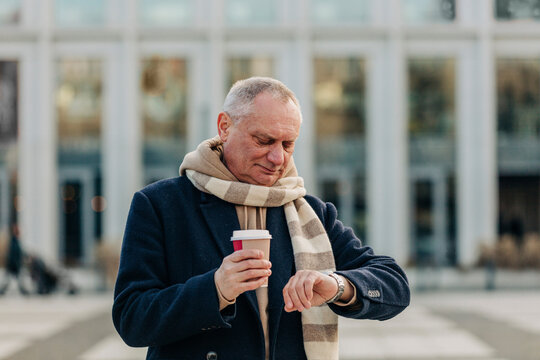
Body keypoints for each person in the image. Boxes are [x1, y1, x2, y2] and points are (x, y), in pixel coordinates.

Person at [113, 77, 410, 360]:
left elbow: (394, 284)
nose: (278, 158)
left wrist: (337, 285)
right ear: (224, 127)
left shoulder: (311, 212)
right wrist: (214, 289)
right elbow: (132, 318)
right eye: (264, 140)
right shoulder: (160, 205)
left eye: (288, 144)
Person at [0, 224, 29, 295]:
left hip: (14, 265)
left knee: (15, 280)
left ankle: (23, 291)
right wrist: (16, 263)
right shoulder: (14, 242)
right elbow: (14, 254)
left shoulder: (15, 241)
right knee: (12, 280)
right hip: (13, 265)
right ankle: (2, 291)